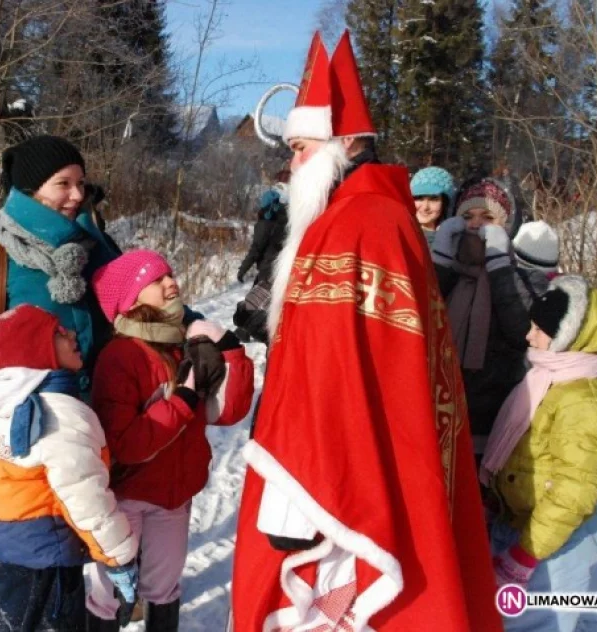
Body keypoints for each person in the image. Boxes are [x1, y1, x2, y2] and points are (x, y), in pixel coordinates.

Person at [230, 31, 502, 631]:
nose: (294, 162)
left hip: (340, 482)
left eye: (301, 147)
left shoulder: (360, 224)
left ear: (345, 143)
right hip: (355, 462)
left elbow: (329, 380)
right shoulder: (372, 215)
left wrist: (294, 500)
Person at [0, 135, 120, 621]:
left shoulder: (89, 249)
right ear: (28, 190)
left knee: (72, 561)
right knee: (25, 566)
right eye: (62, 184)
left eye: (81, 184)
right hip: (22, 441)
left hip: (84, 432)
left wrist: (194, 326)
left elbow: (135, 291)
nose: (75, 195)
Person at [86, 250, 255, 631]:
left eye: (170, 275)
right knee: (109, 591)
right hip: (126, 496)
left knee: (162, 588)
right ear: (130, 298)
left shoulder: (185, 346)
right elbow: (126, 443)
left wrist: (231, 352)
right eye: (157, 279)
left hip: (174, 496)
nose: (171, 283)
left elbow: (227, 412)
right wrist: (180, 403)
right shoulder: (121, 356)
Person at [0, 304, 139, 632]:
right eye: (58, 332)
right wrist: (119, 558)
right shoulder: (60, 414)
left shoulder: (5, 408)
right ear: (35, 351)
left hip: (9, 557)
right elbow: (85, 495)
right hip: (48, 564)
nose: (71, 334)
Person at [482, 275, 597, 632]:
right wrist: (497, 500)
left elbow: (573, 492)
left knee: (539, 625)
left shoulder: (585, 402)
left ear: (569, 337)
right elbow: (523, 455)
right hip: (524, 528)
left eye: (538, 329)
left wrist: (524, 556)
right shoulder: (548, 380)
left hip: (554, 545)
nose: (528, 336)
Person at [432, 178, 550, 460]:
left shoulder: (527, 278)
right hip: (438, 413)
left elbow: (521, 329)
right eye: (467, 217)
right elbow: (422, 318)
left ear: (506, 225)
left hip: (495, 421)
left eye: (487, 218)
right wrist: (439, 262)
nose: (475, 225)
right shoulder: (446, 272)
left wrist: (499, 264)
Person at [233, 170, 290, 344]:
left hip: (268, 270)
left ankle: (266, 336)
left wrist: (242, 269)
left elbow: (255, 249)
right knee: (261, 300)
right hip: (282, 268)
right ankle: (247, 331)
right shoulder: (288, 219)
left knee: (253, 304)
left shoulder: (265, 224)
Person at [409, 165, 456, 247]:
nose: (425, 207)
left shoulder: (453, 241)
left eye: (433, 199)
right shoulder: (400, 236)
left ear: (445, 203)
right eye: (419, 198)